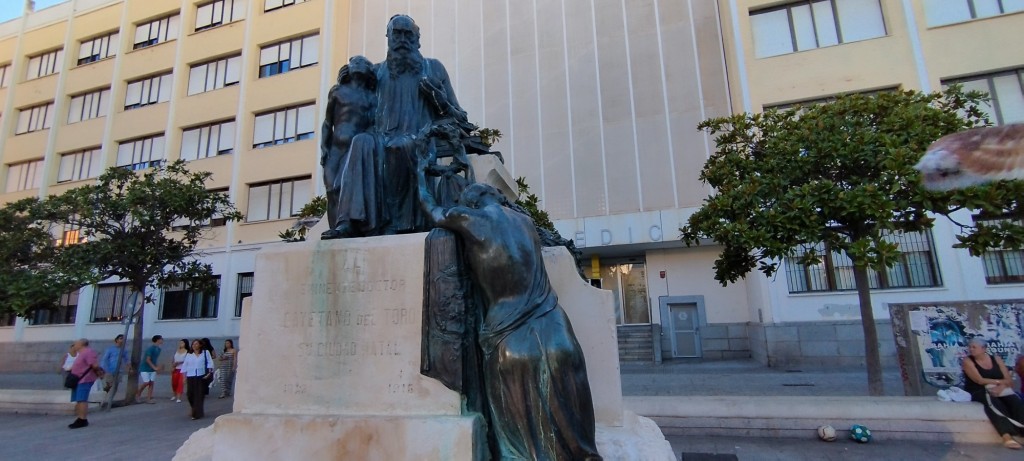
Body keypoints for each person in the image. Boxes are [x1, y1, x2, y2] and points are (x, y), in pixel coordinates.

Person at [417, 168, 602, 460]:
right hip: (552, 319)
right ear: (498, 196)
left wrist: (420, 171)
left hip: (507, 329)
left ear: (471, 203)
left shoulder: (469, 219)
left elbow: (431, 209)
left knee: (515, 418)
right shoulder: (526, 221)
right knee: (568, 385)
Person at [375, 14, 470, 235]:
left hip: (421, 138)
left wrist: (438, 97)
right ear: (388, 37)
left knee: (402, 146)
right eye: (396, 34)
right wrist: (346, 78)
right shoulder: (376, 72)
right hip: (379, 137)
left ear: (417, 40)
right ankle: (353, 221)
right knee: (360, 144)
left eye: (408, 34)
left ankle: (402, 225)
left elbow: (460, 117)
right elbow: (356, 104)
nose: (402, 39)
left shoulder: (433, 68)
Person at [320, 55, 380, 239]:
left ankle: (343, 226)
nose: (358, 64)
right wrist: (324, 146)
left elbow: (374, 123)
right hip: (335, 148)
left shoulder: (371, 97)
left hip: (354, 149)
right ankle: (334, 228)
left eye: (363, 62)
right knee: (331, 190)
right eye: (355, 62)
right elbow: (327, 122)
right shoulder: (337, 91)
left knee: (342, 185)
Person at [962, 338, 1024, 449]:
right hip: (978, 390)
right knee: (993, 402)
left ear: (984, 349)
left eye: (974, 347)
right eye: (970, 347)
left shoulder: (996, 359)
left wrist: (1001, 386)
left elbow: (1009, 380)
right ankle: (1006, 436)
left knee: (1016, 401)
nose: (971, 349)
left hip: (1000, 388)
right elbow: (979, 380)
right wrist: (999, 382)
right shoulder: (968, 361)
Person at [68, 338, 103, 429]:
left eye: (75, 344)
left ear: (81, 344)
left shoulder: (88, 352)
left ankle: (82, 419)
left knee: (82, 399)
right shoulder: (81, 353)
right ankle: (80, 418)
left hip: (85, 379)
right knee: (79, 399)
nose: (74, 345)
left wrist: (99, 373)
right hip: (78, 379)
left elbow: (94, 365)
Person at [181, 339, 214, 420]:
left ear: (200, 345)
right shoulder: (189, 354)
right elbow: (185, 366)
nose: (194, 346)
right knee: (190, 394)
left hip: (201, 376)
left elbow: (210, 363)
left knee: (199, 395)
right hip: (191, 376)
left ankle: (196, 414)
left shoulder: (205, 353)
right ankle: (194, 408)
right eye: (193, 344)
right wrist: (184, 377)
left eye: (196, 344)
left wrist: (209, 374)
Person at [136, 335, 163, 403]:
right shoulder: (150, 349)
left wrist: (156, 367)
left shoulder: (159, 349)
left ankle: (149, 398)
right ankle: (138, 394)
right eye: (161, 339)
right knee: (146, 382)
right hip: (145, 368)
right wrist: (154, 367)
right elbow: (147, 359)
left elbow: (154, 359)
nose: (162, 340)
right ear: (157, 340)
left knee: (151, 383)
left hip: (152, 369)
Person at [171, 339, 189, 403]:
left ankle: (178, 397)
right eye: (180, 343)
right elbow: (173, 359)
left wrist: (179, 362)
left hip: (182, 369)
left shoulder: (187, 352)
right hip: (175, 369)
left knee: (180, 383)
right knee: (174, 383)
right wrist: (173, 365)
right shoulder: (176, 351)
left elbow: (187, 361)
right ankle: (174, 394)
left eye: (182, 343)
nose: (181, 344)